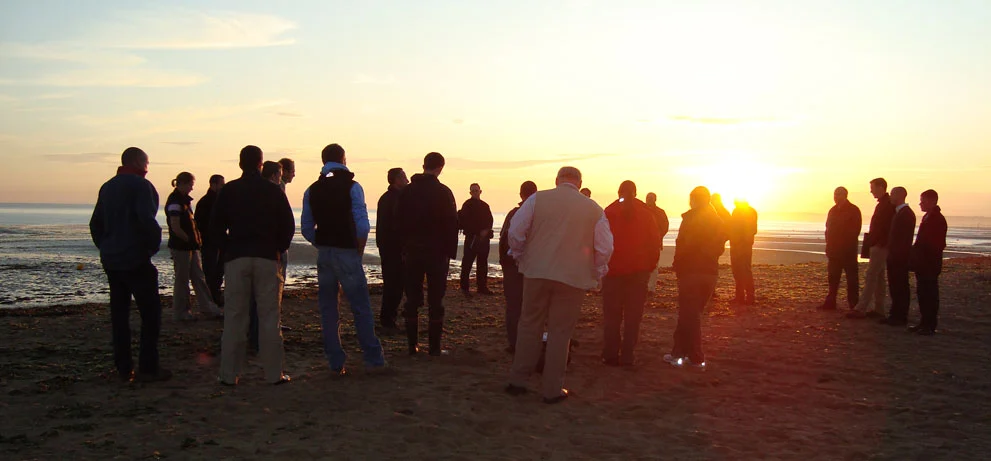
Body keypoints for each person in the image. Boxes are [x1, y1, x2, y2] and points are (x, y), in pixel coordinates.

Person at [505, 167, 613, 404]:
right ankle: (552, 389)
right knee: (560, 332)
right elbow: (604, 248)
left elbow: (516, 231)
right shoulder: (594, 209)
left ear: (557, 181)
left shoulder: (536, 199)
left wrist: (521, 256)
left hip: (536, 272)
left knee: (529, 324)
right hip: (572, 277)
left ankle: (518, 380)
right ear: (580, 182)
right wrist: (597, 273)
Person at [211, 145, 295, 385]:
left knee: (235, 317)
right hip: (267, 257)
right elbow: (287, 225)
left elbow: (215, 227)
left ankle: (228, 374)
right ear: (261, 165)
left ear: (240, 164)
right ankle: (273, 373)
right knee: (269, 317)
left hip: (237, 256)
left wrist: (228, 247)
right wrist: (278, 248)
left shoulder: (229, 190)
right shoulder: (273, 190)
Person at [301, 143, 387, 374]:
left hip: (326, 251)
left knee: (328, 308)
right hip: (347, 251)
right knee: (360, 306)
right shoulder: (353, 187)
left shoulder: (312, 189)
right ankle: (372, 357)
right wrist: (358, 248)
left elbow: (307, 227)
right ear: (343, 159)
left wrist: (320, 243)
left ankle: (335, 362)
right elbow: (362, 223)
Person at [89, 147, 171, 383]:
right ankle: (148, 366)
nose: (149, 166)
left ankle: (124, 367)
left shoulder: (108, 186)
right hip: (135, 259)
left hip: (113, 260)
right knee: (151, 314)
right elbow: (147, 221)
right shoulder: (141, 186)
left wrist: (105, 247)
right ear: (137, 162)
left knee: (120, 314)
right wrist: (150, 248)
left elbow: (96, 223)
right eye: (147, 161)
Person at [397, 152, 459, 356]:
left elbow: (398, 221)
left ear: (424, 165)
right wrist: (450, 252)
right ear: (440, 167)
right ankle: (433, 347)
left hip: (413, 251)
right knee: (435, 299)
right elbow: (452, 223)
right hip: (437, 253)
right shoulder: (443, 192)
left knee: (412, 299)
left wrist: (403, 247)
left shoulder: (407, 191)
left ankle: (412, 346)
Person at [664, 186, 725, 370]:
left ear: (695, 200)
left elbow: (682, 244)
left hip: (692, 272)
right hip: (709, 273)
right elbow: (719, 248)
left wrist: (679, 264)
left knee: (690, 315)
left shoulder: (691, 219)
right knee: (690, 314)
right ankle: (679, 353)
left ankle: (696, 357)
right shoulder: (717, 221)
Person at [601, 181, 660, 367]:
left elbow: (600, 242)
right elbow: (655, 243)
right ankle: (628, 355)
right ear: (635, 193)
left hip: (614, 273)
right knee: (633, 318)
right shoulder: (646, 213)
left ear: (619, 192)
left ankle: (610, 355)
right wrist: (649, 267)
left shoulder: (609, 212)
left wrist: (601, 266)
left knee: (612, 316)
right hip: (638, 273)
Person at [166, 172, 222, 321]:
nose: (192, 188)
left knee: (199, 277)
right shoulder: (175, 202)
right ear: (183, 184)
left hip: (191, 247)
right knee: (182, 280)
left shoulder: (183, 201)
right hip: (181, 247)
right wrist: (189, 240)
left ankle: (208, 308)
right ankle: (181, 312)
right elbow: (175, 227)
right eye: (191, 185)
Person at [499, 180, 538, 353]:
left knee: (514, 305)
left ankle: (515, 343)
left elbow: (505, 238)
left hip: (515, 264)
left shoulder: (514, 213)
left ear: (521, 194)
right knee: (532, 306)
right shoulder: (540, 215)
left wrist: (506, 261)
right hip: (532, 265)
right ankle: (528, 342)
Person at [848, 178, 895, 319]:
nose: (871, 191)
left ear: (881, 187)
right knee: (879, 277)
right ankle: (879, 309)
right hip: (878, 244)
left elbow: (887, 227)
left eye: (873, 188)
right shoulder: (884, 204)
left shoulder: (887, 205)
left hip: (880, 245)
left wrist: (880, 242)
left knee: (871, 275)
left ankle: (861, 308)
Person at [818, 187, 862, 311]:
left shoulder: (854, 210)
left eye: (839, 194)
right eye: (835, 194)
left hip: (848, 251)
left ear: (845, 195)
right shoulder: (832, 210)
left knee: (852, 279)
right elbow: (828, 229)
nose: (836, 197)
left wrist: (843, 244)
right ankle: (830, 303)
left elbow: (854, 231)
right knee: (833, 278)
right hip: (833, 251)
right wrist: (829, 245)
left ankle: (853, 304)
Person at [376, 167, 409, 332]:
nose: (407, 180)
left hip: (388, 247)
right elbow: (397, 225)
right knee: (394, 285)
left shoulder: (388, 198)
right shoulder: (395, 198)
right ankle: (388, 319)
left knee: (394, 284)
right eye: (404, 177)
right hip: (394, 248)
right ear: (397, 179)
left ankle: (388, 317)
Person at [909, 189, 946, 335]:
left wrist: (921, 252)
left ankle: (929, 325)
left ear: (932, 201)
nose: (920, 204)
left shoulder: (937, 219)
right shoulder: (928, 217)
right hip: (923, 263)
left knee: (930, 294)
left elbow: (936, 244)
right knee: (922, 293)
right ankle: (924, 322)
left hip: (930, 264)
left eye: (923, 201)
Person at [880, 186, 916, 326]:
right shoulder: (898, 213)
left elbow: (903, 239)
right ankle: (895, 314)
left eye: (893, 194)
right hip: (895, 255)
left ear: (900, 195)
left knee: (900, 286)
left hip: (900, 257)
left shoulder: (906, 214)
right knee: (895, 286)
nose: (890, 197)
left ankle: (900, 316)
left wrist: (896, 254)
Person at [458, 183, 495, 296]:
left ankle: (482, 287)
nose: (475, 192)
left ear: (480, 191)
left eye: (476, 190)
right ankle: (464, 287)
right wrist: (478, 232)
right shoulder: (467, 205)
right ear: (470, 192)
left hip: (484, 240)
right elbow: (465, 222)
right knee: (467, 263)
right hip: (471, 238)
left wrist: (486, 231)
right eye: (473, 191)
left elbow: (490, 221)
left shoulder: (485, 206)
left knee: (482, 263)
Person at [195, 174, 225, 307]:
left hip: (217, 241)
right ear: (213, 184)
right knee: (211, 270)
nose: (223, 187)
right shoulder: (206, 202)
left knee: (218, 270)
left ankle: (214, 296)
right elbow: (200, 223)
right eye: (221, 184)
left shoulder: (216, 200)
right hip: (210, 242)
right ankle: (211, 298)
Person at [729, 199, 758, 305]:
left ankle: (747, 296)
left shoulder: (743, 212)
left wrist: (740, 240)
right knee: (739, 270)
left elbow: (750, 229)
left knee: (743, 270)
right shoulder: (745, 211)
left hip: (741, 245)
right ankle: (742, 296)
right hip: (740, 245)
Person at [644, 192, 670, 294]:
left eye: (651, 198)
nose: (649, 200)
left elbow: (665, 227)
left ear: (655, 199)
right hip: (642, 243)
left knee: (654, 266)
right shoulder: (642, 211)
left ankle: (651, 288)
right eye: (647, 198)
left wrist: (658, 236)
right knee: (643, 266)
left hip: (655, 243)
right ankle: (644, 286)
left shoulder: (660, 212)